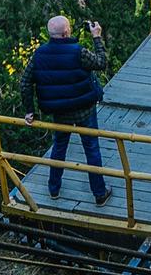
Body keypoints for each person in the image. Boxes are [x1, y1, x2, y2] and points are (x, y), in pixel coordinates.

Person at [20, 15, 113, 206]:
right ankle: (99, 193)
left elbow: (25, 83)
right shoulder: (78, 51)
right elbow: (101, 63)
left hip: (59, 112)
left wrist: (29, 110)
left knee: (59, 148)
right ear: (66, 32)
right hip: (84, 110)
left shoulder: (39, 55)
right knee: (92, 149)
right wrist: (96, 37)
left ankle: (54, 189)